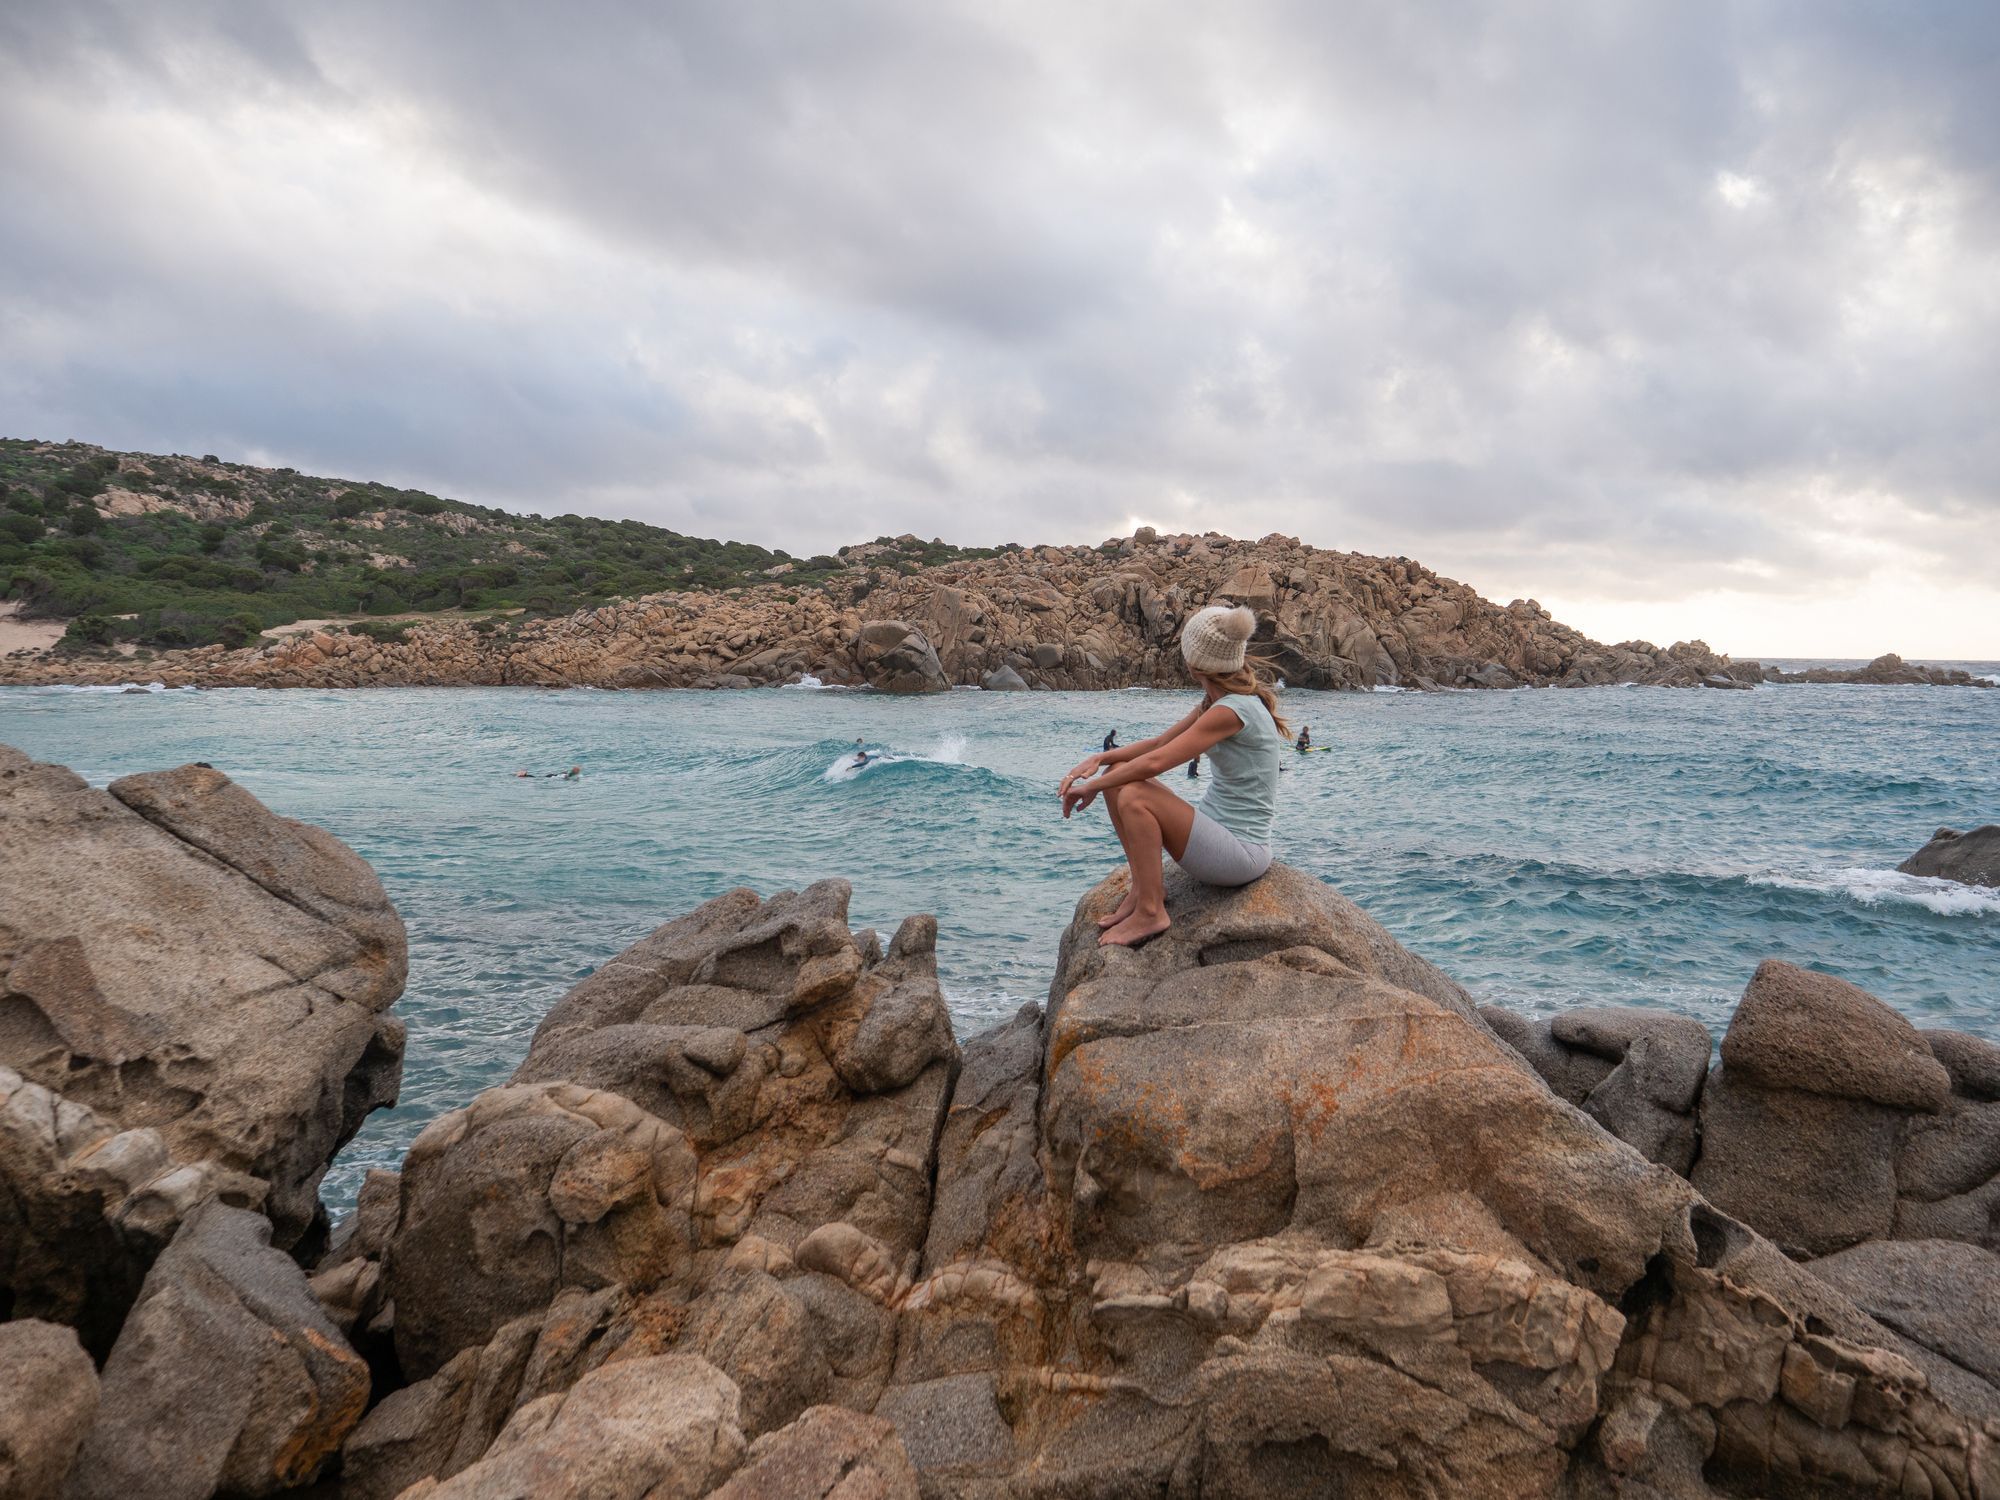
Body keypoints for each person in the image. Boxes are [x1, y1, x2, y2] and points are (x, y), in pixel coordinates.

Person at [1059, 604, 1285, 948]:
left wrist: (1091, 786)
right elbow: (1161, 742)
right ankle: (1145, 887)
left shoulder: (1230, 711)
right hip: (1219, 834)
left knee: (1133, 794)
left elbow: (1155, 763)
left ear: (1196, 665)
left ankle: (1151, 911)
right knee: (1118, 772)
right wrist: (1100, 759)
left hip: (1242, 854)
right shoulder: (1217, 702)